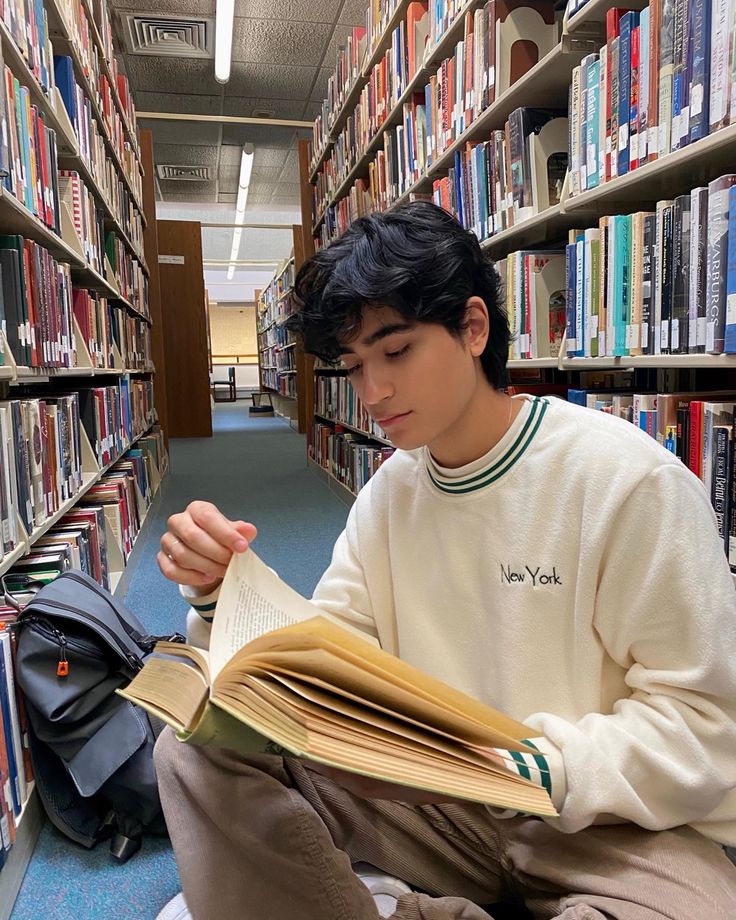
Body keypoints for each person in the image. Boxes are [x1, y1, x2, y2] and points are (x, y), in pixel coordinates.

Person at [153, 201, 736, 920]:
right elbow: (321, 666)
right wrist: (217, 596)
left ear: (473, 327)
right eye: (355, 366)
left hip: (603, 825)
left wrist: (526, 768)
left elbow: (704, 723)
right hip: (435, 810)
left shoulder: (627, 482)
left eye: (395, 352)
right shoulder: (390, 493)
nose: (374, 393)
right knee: (191, 752)